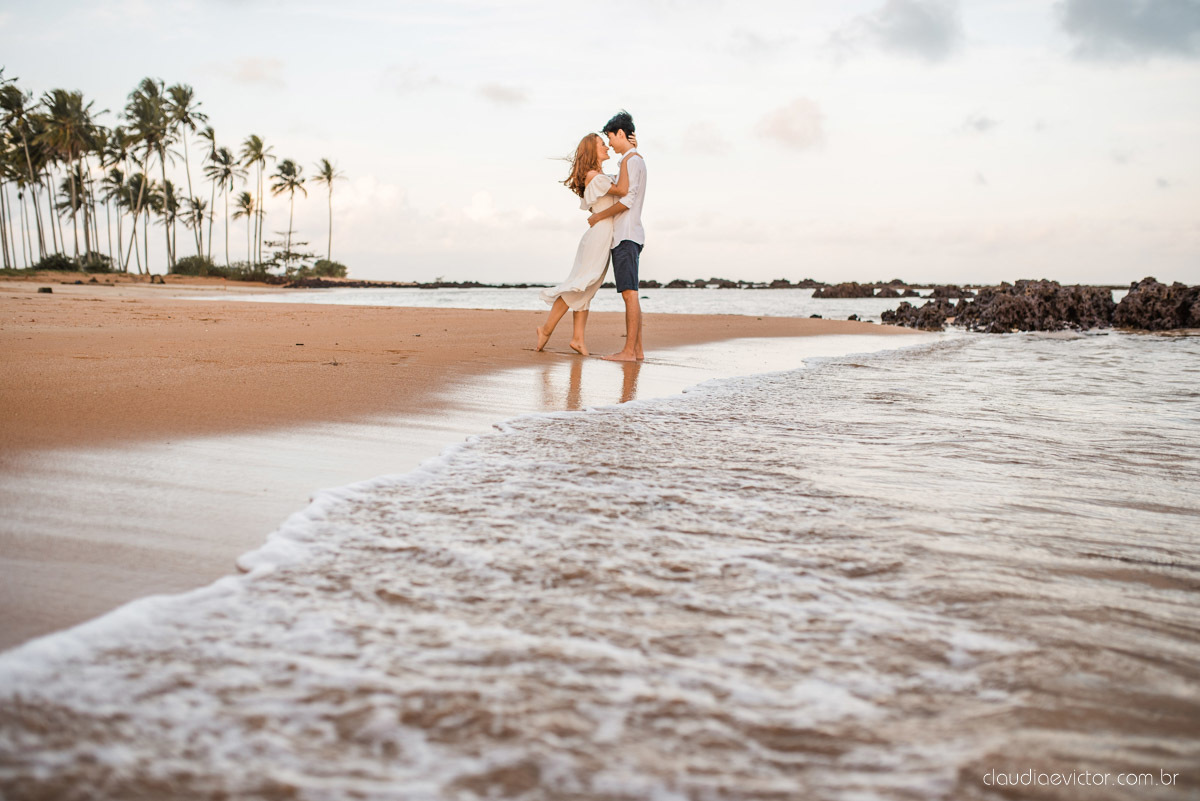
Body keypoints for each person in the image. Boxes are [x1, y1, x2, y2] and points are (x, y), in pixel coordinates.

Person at [535, 132, 634, 356]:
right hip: (598, 236)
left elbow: (618, 185)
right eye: (602, 144)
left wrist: (628, 154)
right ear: (592, 150)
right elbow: (623, 190)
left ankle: (578, 338)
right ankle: (546, 329)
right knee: (581, 283)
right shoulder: (595, 177)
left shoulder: (599, 176)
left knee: (586, 287)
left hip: (600, 234)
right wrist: (628, 156)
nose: (607, 147)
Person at [590, 110, 646, 362]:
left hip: (626, 236)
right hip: (629, 235)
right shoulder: (631, 160)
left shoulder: (631, 161)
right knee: (630, 292)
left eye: (610, 137)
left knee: (629, 293)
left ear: (621, 134)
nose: (610, 143)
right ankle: (637, 350)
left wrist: (598, 217)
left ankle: (628, 352)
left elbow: (627, 199)